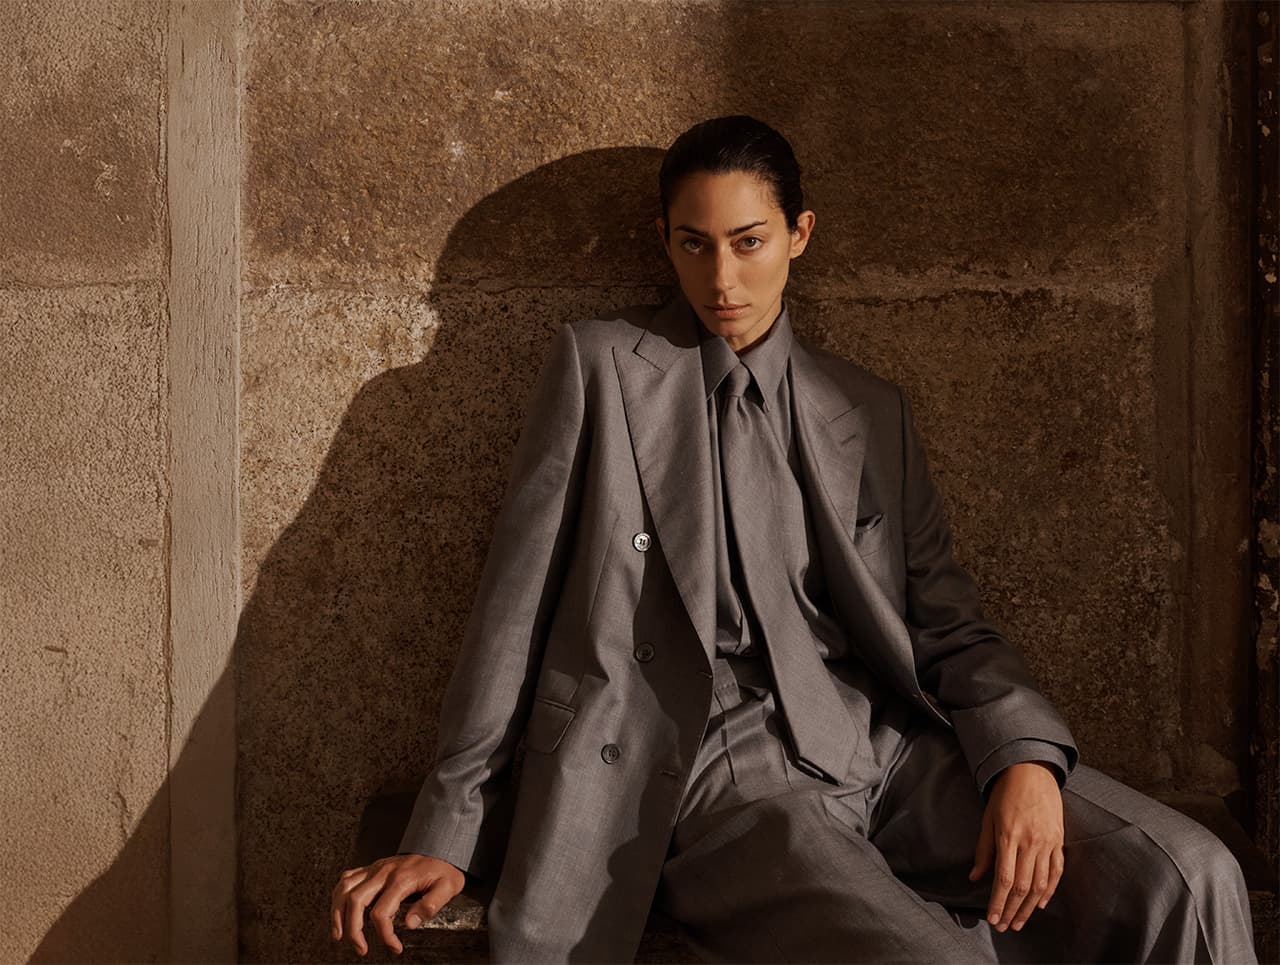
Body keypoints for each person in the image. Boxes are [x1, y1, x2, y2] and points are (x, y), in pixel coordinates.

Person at [331, 115, 1258, 963]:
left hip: (884, 749)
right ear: (665, 242)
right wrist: (447, 830)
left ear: (799, 236)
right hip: (717, 777)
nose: (721, 279)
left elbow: (947, 623)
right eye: (694, 245)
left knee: (1188, 872)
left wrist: (1022, 755)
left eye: (749, 243)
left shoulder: (867, 410)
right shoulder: (603, 369)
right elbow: (513, 609)